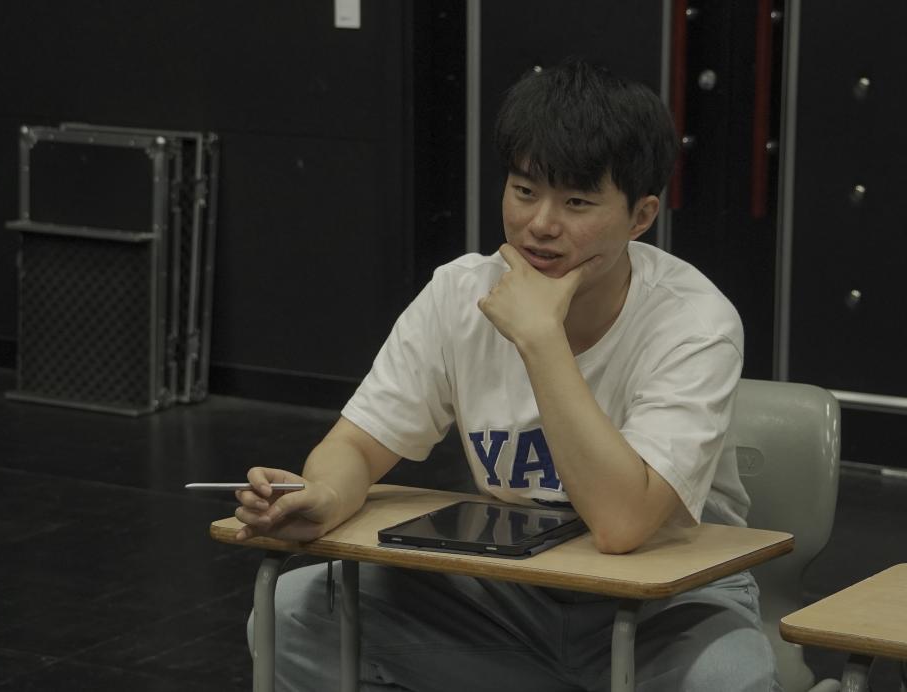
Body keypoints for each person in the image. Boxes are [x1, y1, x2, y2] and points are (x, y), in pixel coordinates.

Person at [234, 58, 780, 691]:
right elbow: (356, 443)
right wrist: (326, 495)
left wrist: (541, 338)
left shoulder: (694, 321)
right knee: (292, 614)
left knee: (726, 680)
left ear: (641, 216)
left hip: (671, 601)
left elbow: (622, 525)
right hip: (512, 587)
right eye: (524, 191)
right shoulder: (458, 293)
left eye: (577, 202)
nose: (540, 224)